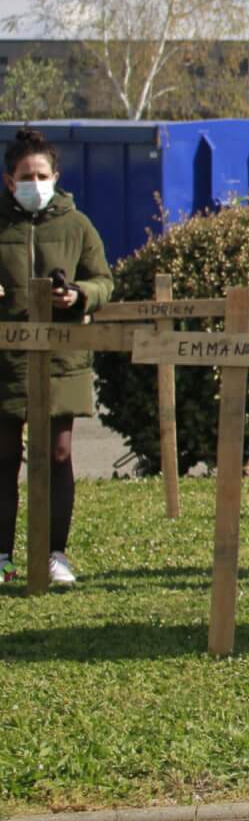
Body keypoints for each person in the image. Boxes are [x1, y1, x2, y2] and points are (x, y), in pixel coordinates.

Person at [0, 128, 113, 588]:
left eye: (41, 174)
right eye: (25, 176)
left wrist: (79, 295)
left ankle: (54, 554)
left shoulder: (77, 224)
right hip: (6, 360)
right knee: (5, 456)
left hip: (63, 358)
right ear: (10, 180)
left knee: (59, 453)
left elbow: (103, 281)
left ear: (55, 176)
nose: (34, 182)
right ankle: (3, 557)